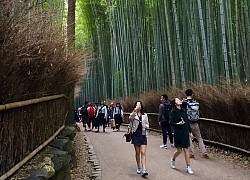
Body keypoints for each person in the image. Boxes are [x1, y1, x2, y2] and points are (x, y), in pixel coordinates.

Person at [182, 89, 209, 158]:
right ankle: (204, 152)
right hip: (195, 122)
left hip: (187, 123)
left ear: (186, 94)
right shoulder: (196, 103)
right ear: (192, 94)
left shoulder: (184, 103)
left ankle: (191, 153)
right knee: (199, 137)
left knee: (188, 137)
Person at [169, 98, 193, 174]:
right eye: (177, 100)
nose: (179, 100)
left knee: (186, 149)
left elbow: (187, 122)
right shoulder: (173, 112)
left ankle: (188, 166)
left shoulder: (183, 111)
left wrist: (190, 132)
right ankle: (173, 159)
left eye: (179, 100)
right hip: (178, 132)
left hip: (185, 131)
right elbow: (170, 122)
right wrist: (177, 124)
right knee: (179, 150)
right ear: (175, 103)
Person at [129, 101, 149, 177]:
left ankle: (144, 169)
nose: (139, 106)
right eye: (137, 105)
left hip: (143, 134)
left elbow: (148, 124)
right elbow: (130, 118)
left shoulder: (145, 115)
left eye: (140, 104)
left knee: (143, 152)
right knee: (138, 152)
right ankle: (138, 166)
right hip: (136, 134)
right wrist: (135, 111)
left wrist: (145, 126)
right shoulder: (133, 114)